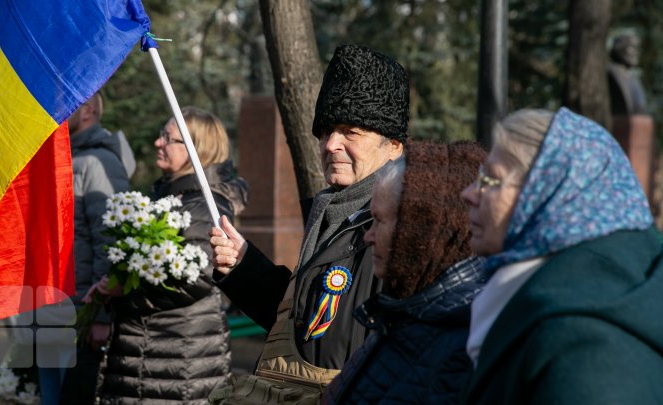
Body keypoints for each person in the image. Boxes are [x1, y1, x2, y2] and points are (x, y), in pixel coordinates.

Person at [208, 44, 408, 402]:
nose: (331, 144)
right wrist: (244, 266)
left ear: (393, 146)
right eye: (326, 130)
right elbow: (306, 328)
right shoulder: (330, 211)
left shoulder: (401, 224)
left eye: (351, 132)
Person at [460, 107, 663, 403]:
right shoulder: (565, 303)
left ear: (549, 194)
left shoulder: (587, 349)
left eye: (491, 180)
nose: (468, 193)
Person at [94, 106, 248, 404]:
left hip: (179, 362)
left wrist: (123, 291)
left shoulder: (205, 206)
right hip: (152, 355)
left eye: (168, 138)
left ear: (196, 149)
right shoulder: (170, 197)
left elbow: (196, 279)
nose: (157, 143)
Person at [323, 141, 489, 404]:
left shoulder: (461, 342)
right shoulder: (406, 315)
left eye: (379, 220)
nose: (368, 236)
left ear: (419, 228)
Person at [58, 92, 134, 404]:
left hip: (82, 314)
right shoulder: (66, 158)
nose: (59, 112)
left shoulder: (100, 163)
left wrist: (100, 315)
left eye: (68, 104)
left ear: (88, 110)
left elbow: (112, 243)